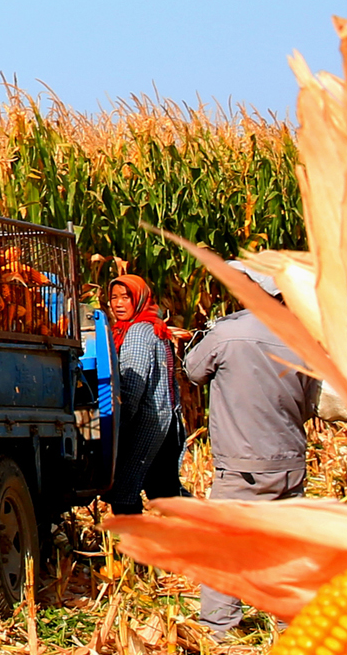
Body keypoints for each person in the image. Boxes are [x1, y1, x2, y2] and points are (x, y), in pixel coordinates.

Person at [183, 293, 322, 636]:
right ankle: (291, 623)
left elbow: (192, 370)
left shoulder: (228, 333)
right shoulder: (303, 338)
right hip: (289, 457)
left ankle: (220, 626)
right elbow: (313, 400)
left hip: (243, 461)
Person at [105, 271, 186, 516]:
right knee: (165, 490)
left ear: (139, 299)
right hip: (165, 422)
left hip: (147, 424)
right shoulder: (152, 327)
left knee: (124, 492)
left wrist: (118, 425)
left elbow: (132, 385)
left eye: (125, 297)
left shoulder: (138, 332)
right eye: (114, 297)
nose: (118, 304)